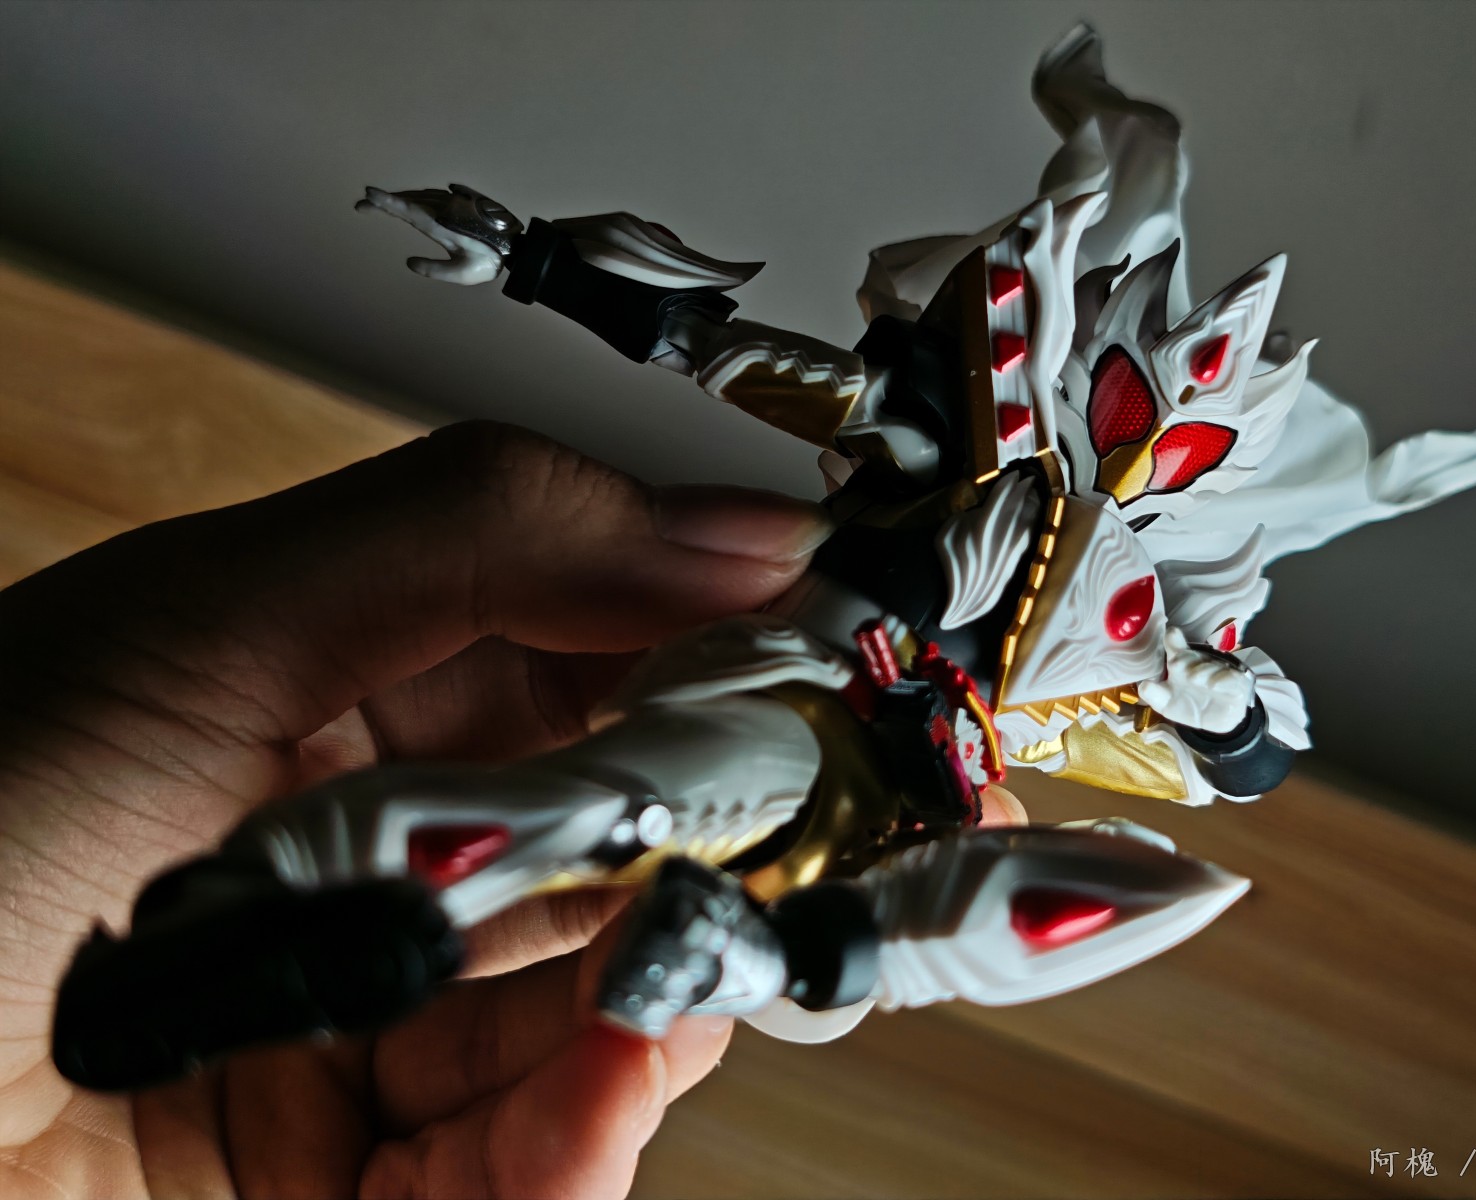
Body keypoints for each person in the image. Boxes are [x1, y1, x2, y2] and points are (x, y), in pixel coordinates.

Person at [0, 422, 1026, 1199]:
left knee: (615, 837)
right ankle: (258, 901)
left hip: (803, 776)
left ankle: (263, 906)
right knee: (599, 816)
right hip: (780, 711)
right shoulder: (950, 525)